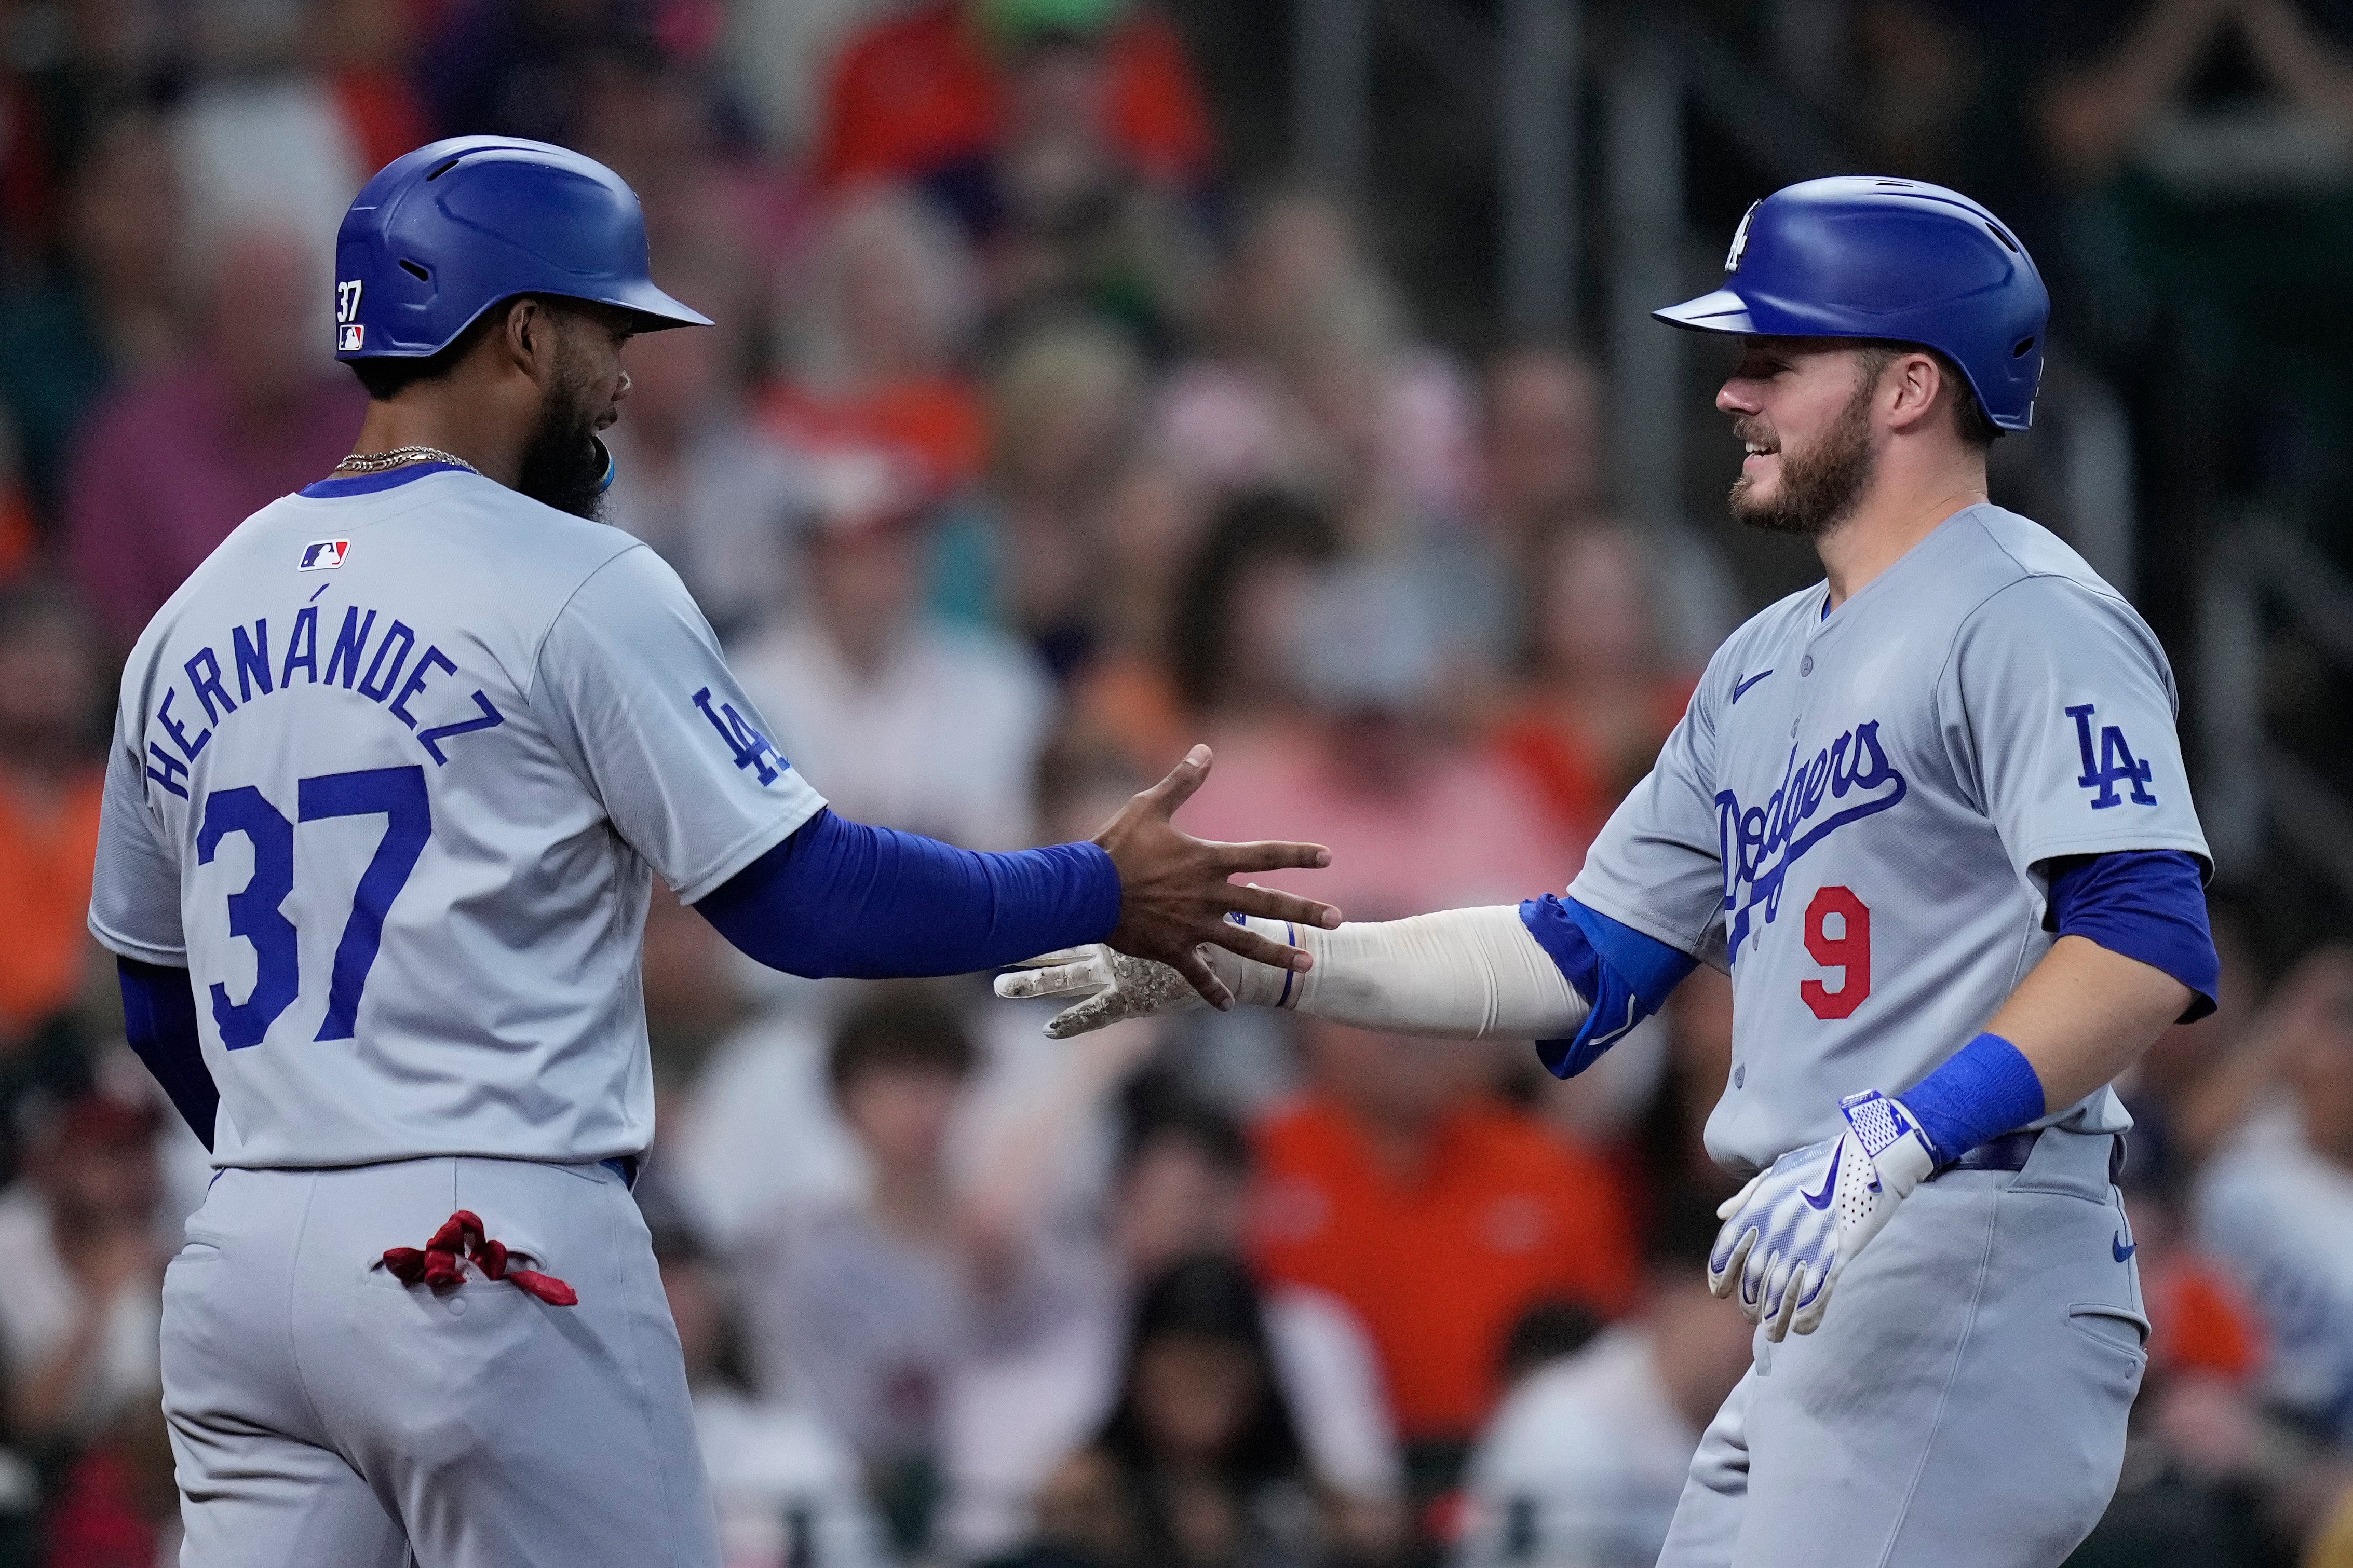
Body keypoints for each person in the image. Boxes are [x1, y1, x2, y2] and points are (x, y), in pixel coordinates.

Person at [84, 134, 1340, 1568]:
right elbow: (809, 901)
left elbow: (149, 992)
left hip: (245, 1256)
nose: (631, 377)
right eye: (610, 331)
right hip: (483, 1228)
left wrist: (302, 1157)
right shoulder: (570, 575)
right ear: (524, 331)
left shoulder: (191, 610)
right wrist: (1098, 886)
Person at [1003, 177, 2222, 1566]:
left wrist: (1904, 1127)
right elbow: (1580, 952)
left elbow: (2143, 936)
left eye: (1774, 355)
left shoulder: (2027, 612)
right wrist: (1266, 958)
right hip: (1825, 1275)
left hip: (1977, 1244)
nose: (1730, 390)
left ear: (1904, 386)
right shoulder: (1758, 666)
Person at [1454, 1192, 1756, 1568]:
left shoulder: (1748, 1418)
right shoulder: (1566, 1423)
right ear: (1676, 1297)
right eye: (1748, 1305)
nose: (1760, 1335)